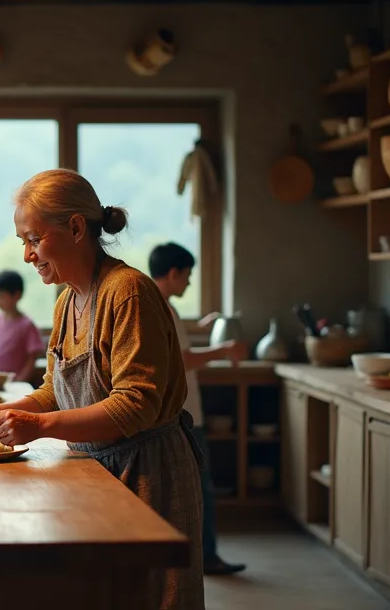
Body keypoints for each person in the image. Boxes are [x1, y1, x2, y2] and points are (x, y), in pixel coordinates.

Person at [0, 169, 204, 610]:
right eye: (23, 242)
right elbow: (55, 389)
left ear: (75, 228)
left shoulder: (127, 292)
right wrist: (2, 411)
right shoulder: (68, 300)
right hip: (95, 470)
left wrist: (37, 425)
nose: (27, 255)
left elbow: (136, 407)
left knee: (152, 597)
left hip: (148, 474)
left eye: (34, 239)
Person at [149, 242, 248, 577]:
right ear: (174, 273)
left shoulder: (156, 304)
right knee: (201, 488)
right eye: (188, 275)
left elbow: (176, 346)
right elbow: (181, 359)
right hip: (185, 415)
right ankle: (206, 557)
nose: (189, 283)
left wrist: (201, 330)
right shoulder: (163, 307)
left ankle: (192, 555)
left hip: (173, 413)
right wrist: (224, 349)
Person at [0, 270, 45, 383]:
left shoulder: (27, 325)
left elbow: (32, 358)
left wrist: (21, 380)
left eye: (1, 296)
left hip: (15, 382)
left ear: (17, 295)